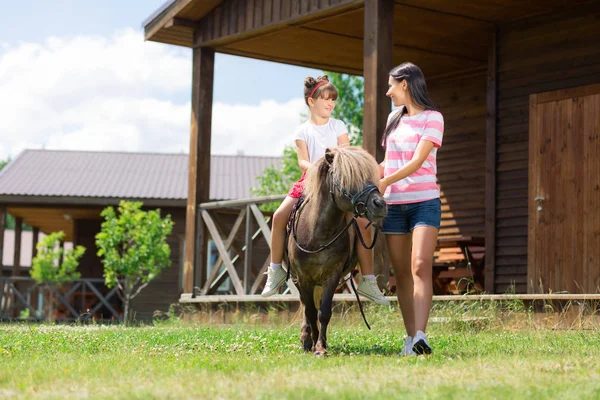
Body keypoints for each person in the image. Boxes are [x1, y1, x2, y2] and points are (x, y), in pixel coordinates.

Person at [261, 75, 389, 305]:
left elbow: (346, 154)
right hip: (310, 180)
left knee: (362, 223)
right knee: (279, 216)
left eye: (333, 99)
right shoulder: (302, 130)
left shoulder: (338, 125)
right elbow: (303, 162)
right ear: (312, 101)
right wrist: (321, 171)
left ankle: (368, 280)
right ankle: (275, 270)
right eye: (325, 99)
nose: (331, 103)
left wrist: (340, 174)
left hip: (340, 183)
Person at [377, 62, 444, 355]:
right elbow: (387, 162)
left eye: (392, 85)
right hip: (394, 205)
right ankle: (410, 339)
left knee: (420, 265)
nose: (388, 91)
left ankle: (421, 335)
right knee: (401, 272)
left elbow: (417, 161)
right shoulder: (393, 118)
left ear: (405, 83)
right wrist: (367, 174)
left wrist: (386, 180)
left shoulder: (433, 118)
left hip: (424, 202)